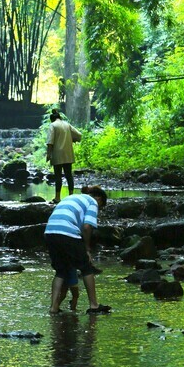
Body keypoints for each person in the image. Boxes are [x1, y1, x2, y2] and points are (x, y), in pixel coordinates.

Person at [44, 185, 110, 314]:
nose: (99, 209)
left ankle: (53, 307)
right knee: (86, 268)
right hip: (67, 232)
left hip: (50, 231)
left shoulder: (71, 197)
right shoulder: (92, 202)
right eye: (101, 206)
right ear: (99, 198)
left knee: (61, 271)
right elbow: (86, 227)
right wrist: (87, 249)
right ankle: (94, 305)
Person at [46, 109, 81, 202]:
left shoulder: (52, 125)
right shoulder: (67, 125)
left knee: (58, 176)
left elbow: (50, 141)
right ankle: (71, 196)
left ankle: (57, 197)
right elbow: (79, 135)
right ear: (59, 117)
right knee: (69, 175)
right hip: (68, 153)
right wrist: (72, 139)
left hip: (57, 154)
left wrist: (48, 154)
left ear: (52, 119)